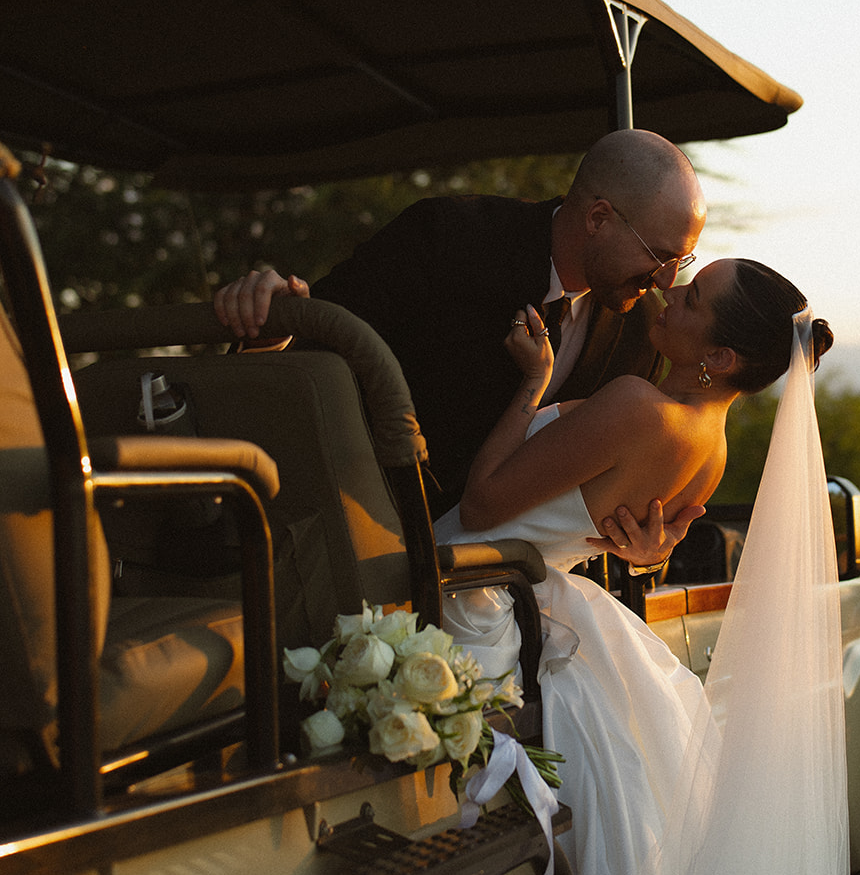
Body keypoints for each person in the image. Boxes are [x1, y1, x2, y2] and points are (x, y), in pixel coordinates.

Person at [435, 258, 849, 875]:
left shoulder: (632, 400)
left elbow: (486, 506)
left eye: (692, 301)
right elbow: (621, 533)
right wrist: (636, 550)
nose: (670, 296)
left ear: (720, 357)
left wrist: (534, 386)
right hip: (554, 607)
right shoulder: (712, 437)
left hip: (479, 604)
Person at [213, 128, 707, 563]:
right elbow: (316, 344)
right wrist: (272, 317)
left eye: (681, 261)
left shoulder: (642, 330)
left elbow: (610, 496)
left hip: (519, 588)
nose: (666, 281)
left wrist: (645, 551)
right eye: (658, 255)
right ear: (598, 218)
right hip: (355, 551)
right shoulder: (446, 238)